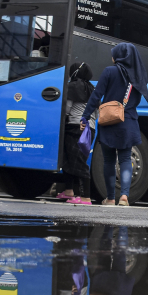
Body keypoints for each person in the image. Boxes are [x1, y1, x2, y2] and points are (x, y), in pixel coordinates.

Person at [81, 43, 148, 206]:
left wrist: (85, 116)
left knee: (109, 160)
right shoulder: (138, 76)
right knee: (125, 159)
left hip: (109, 121)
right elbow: (138, 100)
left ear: (119, 56)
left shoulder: (109, 71)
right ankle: (124, 196)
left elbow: (96, 95)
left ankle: (111, 198)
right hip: (129, 121)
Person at [57, 62, 96, 205]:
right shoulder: (92, 88)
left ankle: (85, 197)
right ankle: (68, 191)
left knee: (75, 160)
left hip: (75, 127)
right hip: (89, 128)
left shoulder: (73, 86)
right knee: (72, 158)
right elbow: (96, 113)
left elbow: (67, 109)